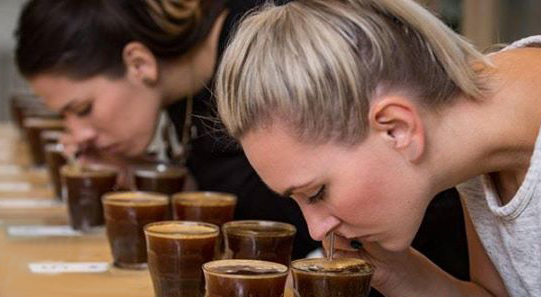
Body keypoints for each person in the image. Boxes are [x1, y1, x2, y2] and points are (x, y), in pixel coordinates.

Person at [214, 0, 541, 297]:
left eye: (317, 193)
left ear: (397, 128)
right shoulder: (482, 140)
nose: (316, 228)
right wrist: (391, 270)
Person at [14, 0, 470, 276]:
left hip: (430, 273)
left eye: (82, 110)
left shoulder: (258, 53)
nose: (77, 138)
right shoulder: (179, 95)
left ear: (138, 63)